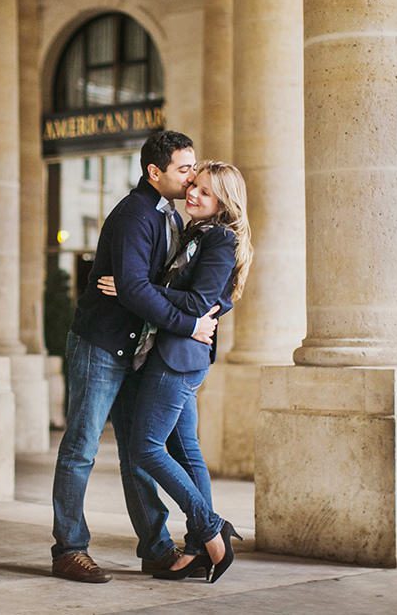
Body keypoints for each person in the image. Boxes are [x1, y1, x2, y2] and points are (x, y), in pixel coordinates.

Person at [50, 131, 220, 583]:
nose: (191, 179)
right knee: (82, 448)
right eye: (184, 170)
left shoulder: (172, 216)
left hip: (138, 351)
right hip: (101, 346)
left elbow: (150, 286)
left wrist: (138, 290)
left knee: (137, 451)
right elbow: (136, 287)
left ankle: (156, 548)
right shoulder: (134, 215)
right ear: (154, 172)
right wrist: (185, 322)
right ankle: (69, 548)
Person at [98, 161, 252, 583]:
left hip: (178, 357)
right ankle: (203, 547)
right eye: (193, 186)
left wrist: (136, 288)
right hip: (179, 353)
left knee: (145, 448)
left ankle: (209, 527)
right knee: (187, 449)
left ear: (223, 200)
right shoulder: (196, 233)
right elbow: (213, 295)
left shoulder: (218, 237)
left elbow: (201, 301)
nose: (193, 194)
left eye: (204, 190)